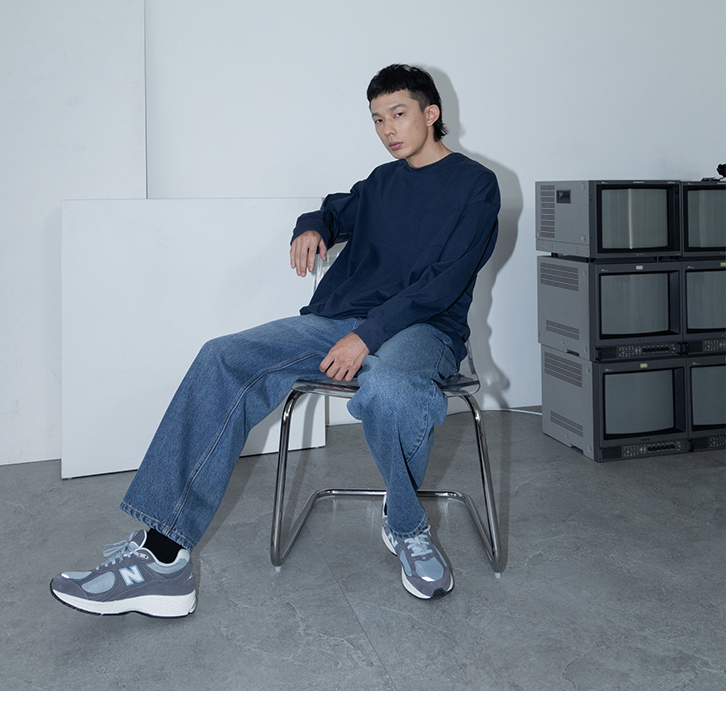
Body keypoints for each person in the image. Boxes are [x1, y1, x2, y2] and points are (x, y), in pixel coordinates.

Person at [50, 64, 500, 617]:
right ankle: (163, 559)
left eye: (398, 114)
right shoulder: (383, 182)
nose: (387, 129)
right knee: (222, 356)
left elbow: (444, 282)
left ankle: (406, 526)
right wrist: (311, 227)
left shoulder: (476, 184)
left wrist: (369, 335)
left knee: (391, 387)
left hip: (425, 328)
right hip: (341, 320)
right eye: (377, 119)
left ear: (431, 114)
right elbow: (334, 209)